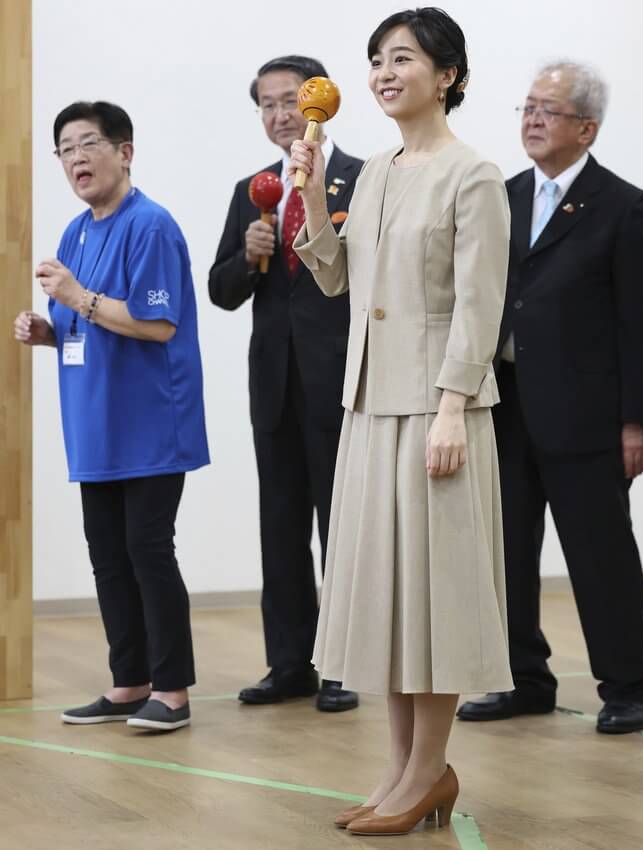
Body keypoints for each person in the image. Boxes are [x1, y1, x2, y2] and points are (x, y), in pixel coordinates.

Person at [290, 8, 512, 835]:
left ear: (448, 74)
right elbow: (335, 278)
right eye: (377, 59)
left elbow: (479, 306)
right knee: (388, 602)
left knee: (438, 600)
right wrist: (312, 195)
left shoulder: (474, 174)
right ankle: (400, 772)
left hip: (435, 411)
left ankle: (428, 771)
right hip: (369, 408)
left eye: (404, 58)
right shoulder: (375, 170)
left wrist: (453, 406)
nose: (385, 72)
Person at [457, 62, 643, 734]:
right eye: (527, 107)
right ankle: (523, 679)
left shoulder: (622, 205)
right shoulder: (504, 194)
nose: (533, 120)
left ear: (587, 127)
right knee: (507, 553)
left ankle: (627, 686)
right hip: (507, 407)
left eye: (549, 109)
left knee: (600, 554)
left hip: (586, 417)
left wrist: (637, 420)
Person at [14, 101, 209, 732]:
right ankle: (129, 682)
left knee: (148, 549)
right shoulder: (76, 232)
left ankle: (172, 692)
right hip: (95, 426)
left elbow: (155, 324)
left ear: (124, 152)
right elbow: (85, 327)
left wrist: (74, 296)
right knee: (108, 555)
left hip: (151, 423)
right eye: (65, 148)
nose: (76, 158)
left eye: (88, 143)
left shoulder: (150, 225)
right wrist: (48, 328)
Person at [208, 56, 362, 712]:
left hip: (342, 384)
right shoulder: (253, 189)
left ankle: (342, 666)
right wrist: (249, 254)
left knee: (343, 529)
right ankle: (288, 665)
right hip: (274, 385)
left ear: (319, 103)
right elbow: (220, 292)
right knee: (281, 527)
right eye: (266, 104)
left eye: (288, 101)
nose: (278, 115)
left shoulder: (361, 180)